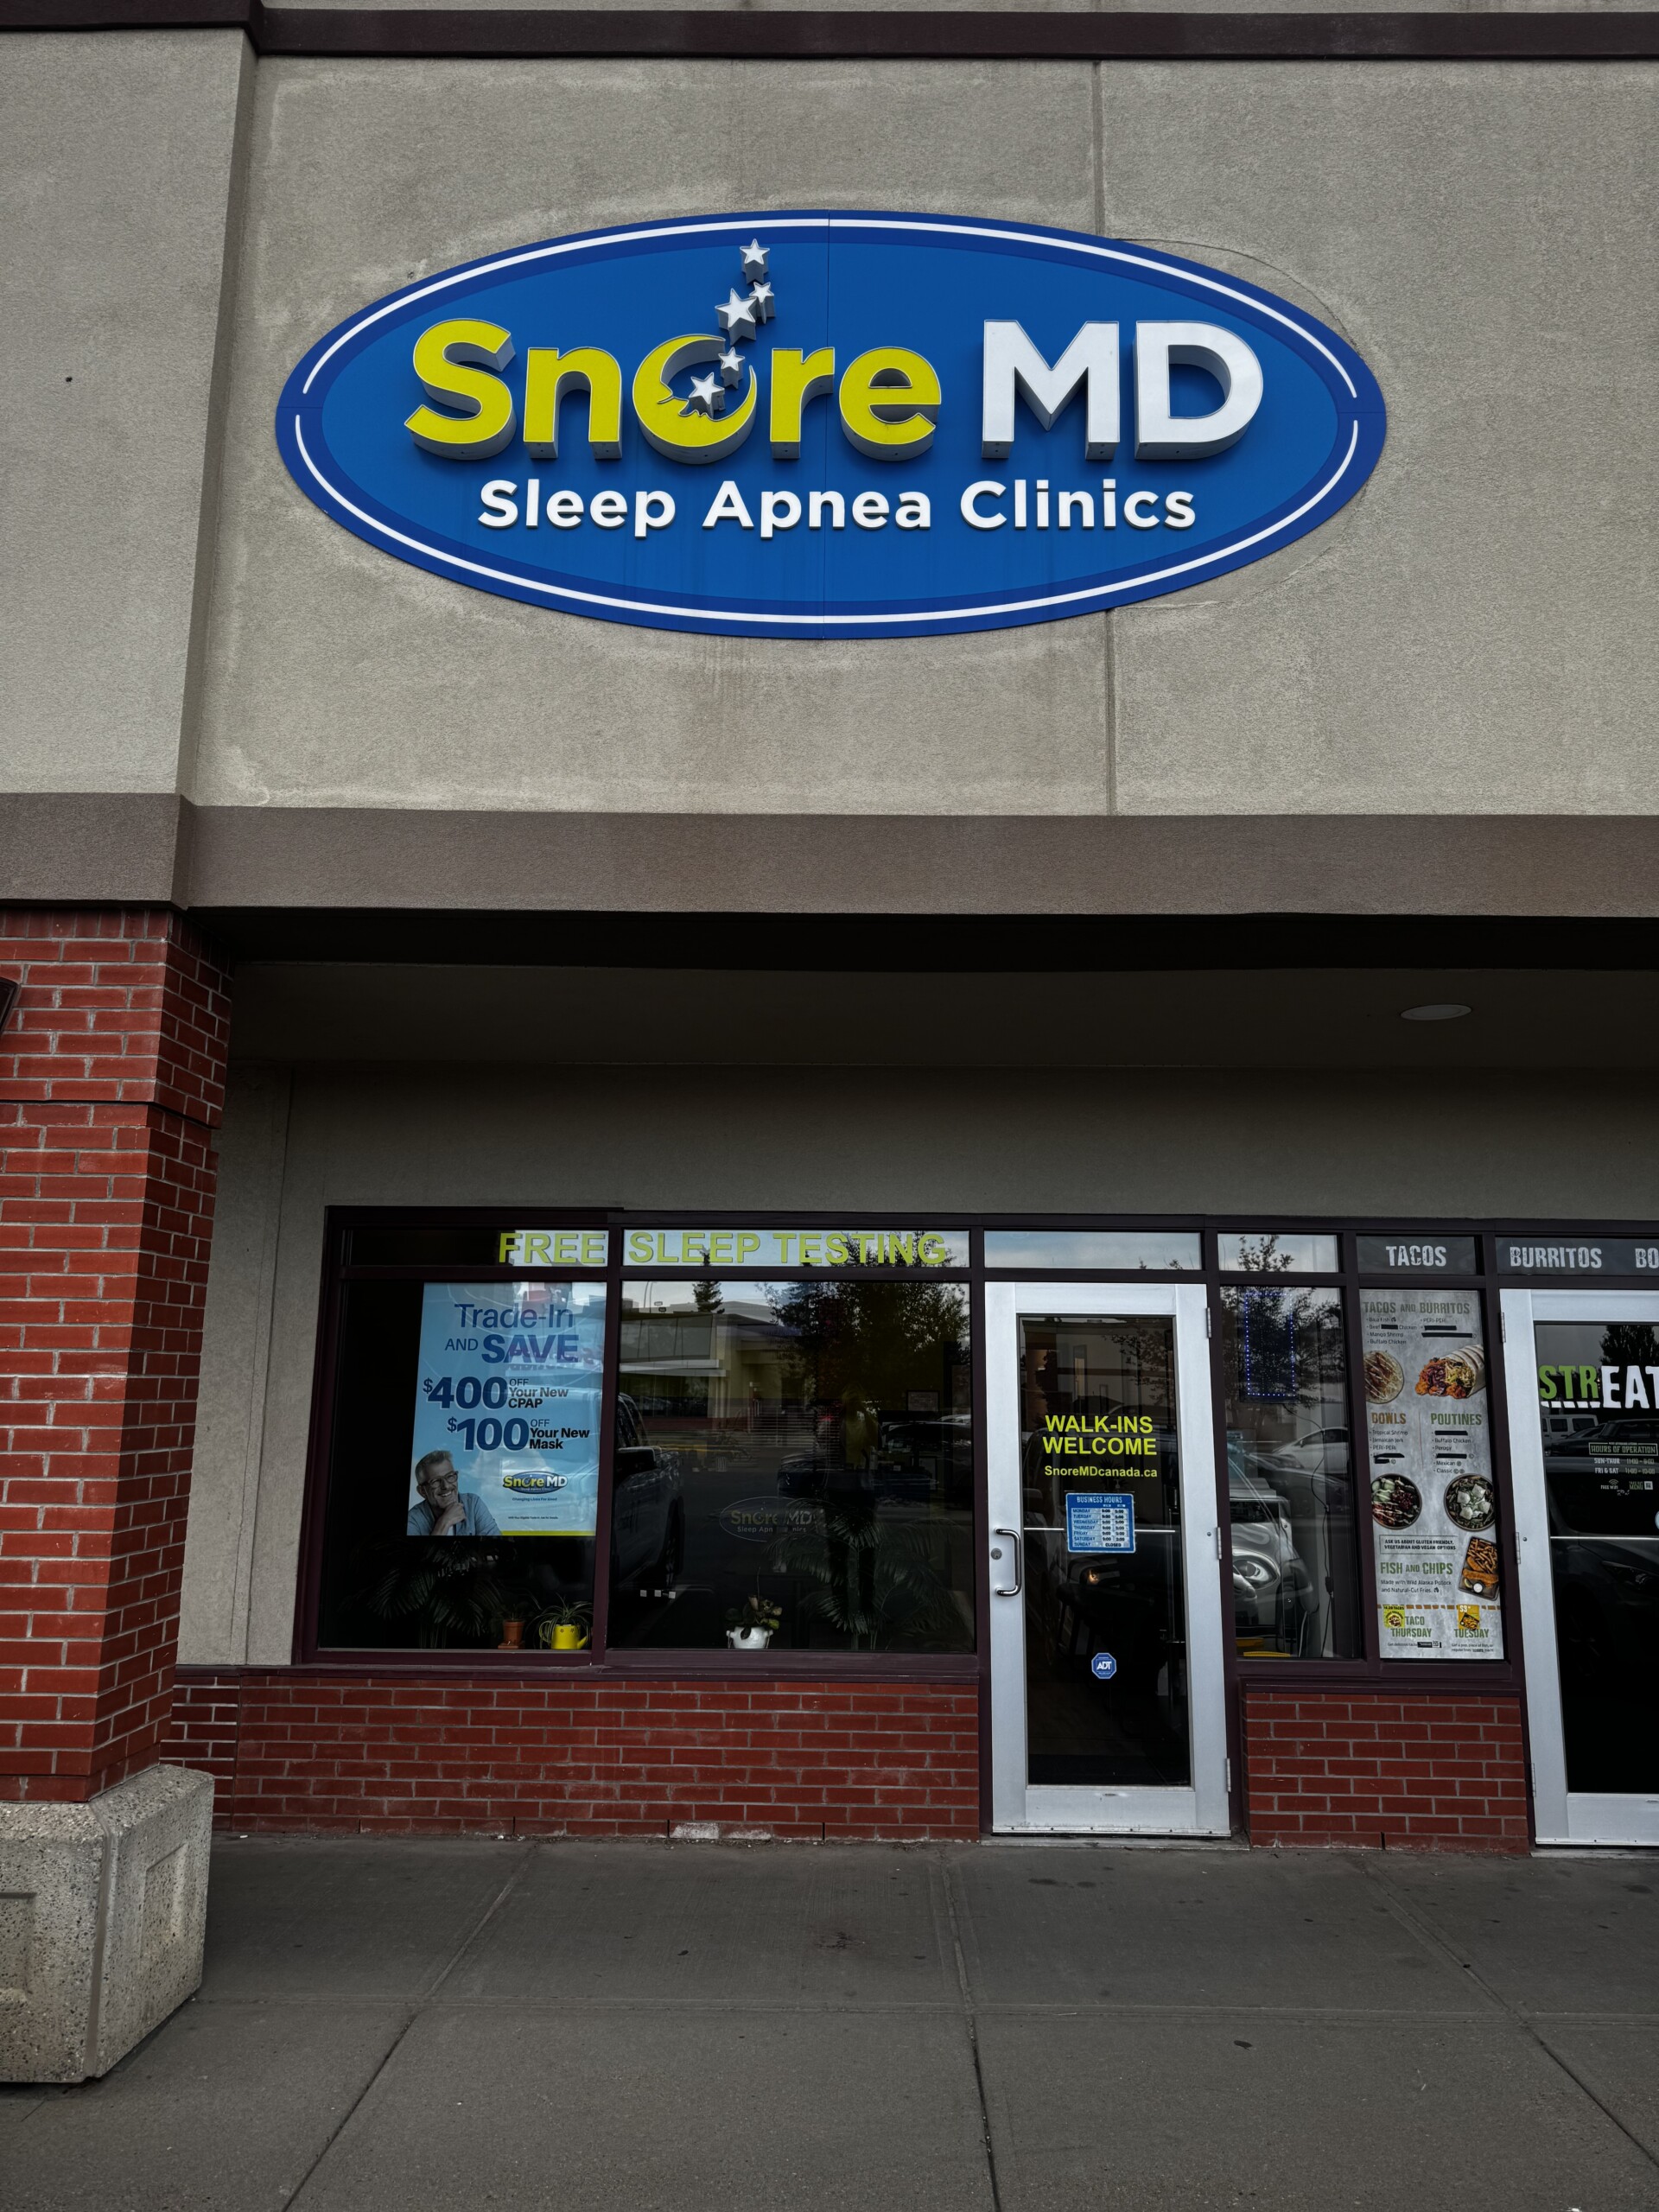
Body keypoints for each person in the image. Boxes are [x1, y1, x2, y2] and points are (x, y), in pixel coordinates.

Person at [406, 1450, 500, 1536]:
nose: (446, 1486)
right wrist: (444, 1522)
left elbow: (495, 1545)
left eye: (450, 1476)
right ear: (422, 1491)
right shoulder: (413, 1519)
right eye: (436, 1481)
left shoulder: (473, 1504)